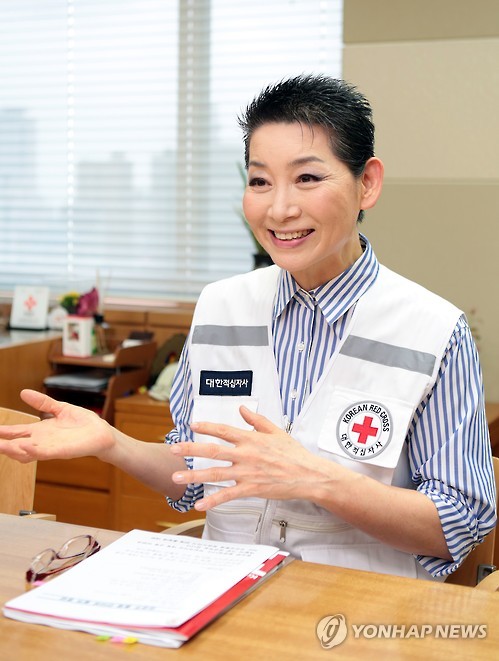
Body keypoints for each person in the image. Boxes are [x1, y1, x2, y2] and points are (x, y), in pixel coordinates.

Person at [0, 75, 495, 581]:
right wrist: (111, 443)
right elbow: (197, 476)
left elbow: (460, 523)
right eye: (260, 181)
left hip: (357, 608)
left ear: (366, 183)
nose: (279, 208)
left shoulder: (433, 330)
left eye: (307, 178)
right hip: (222, 595)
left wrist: (318, 480)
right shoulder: (221, 307)